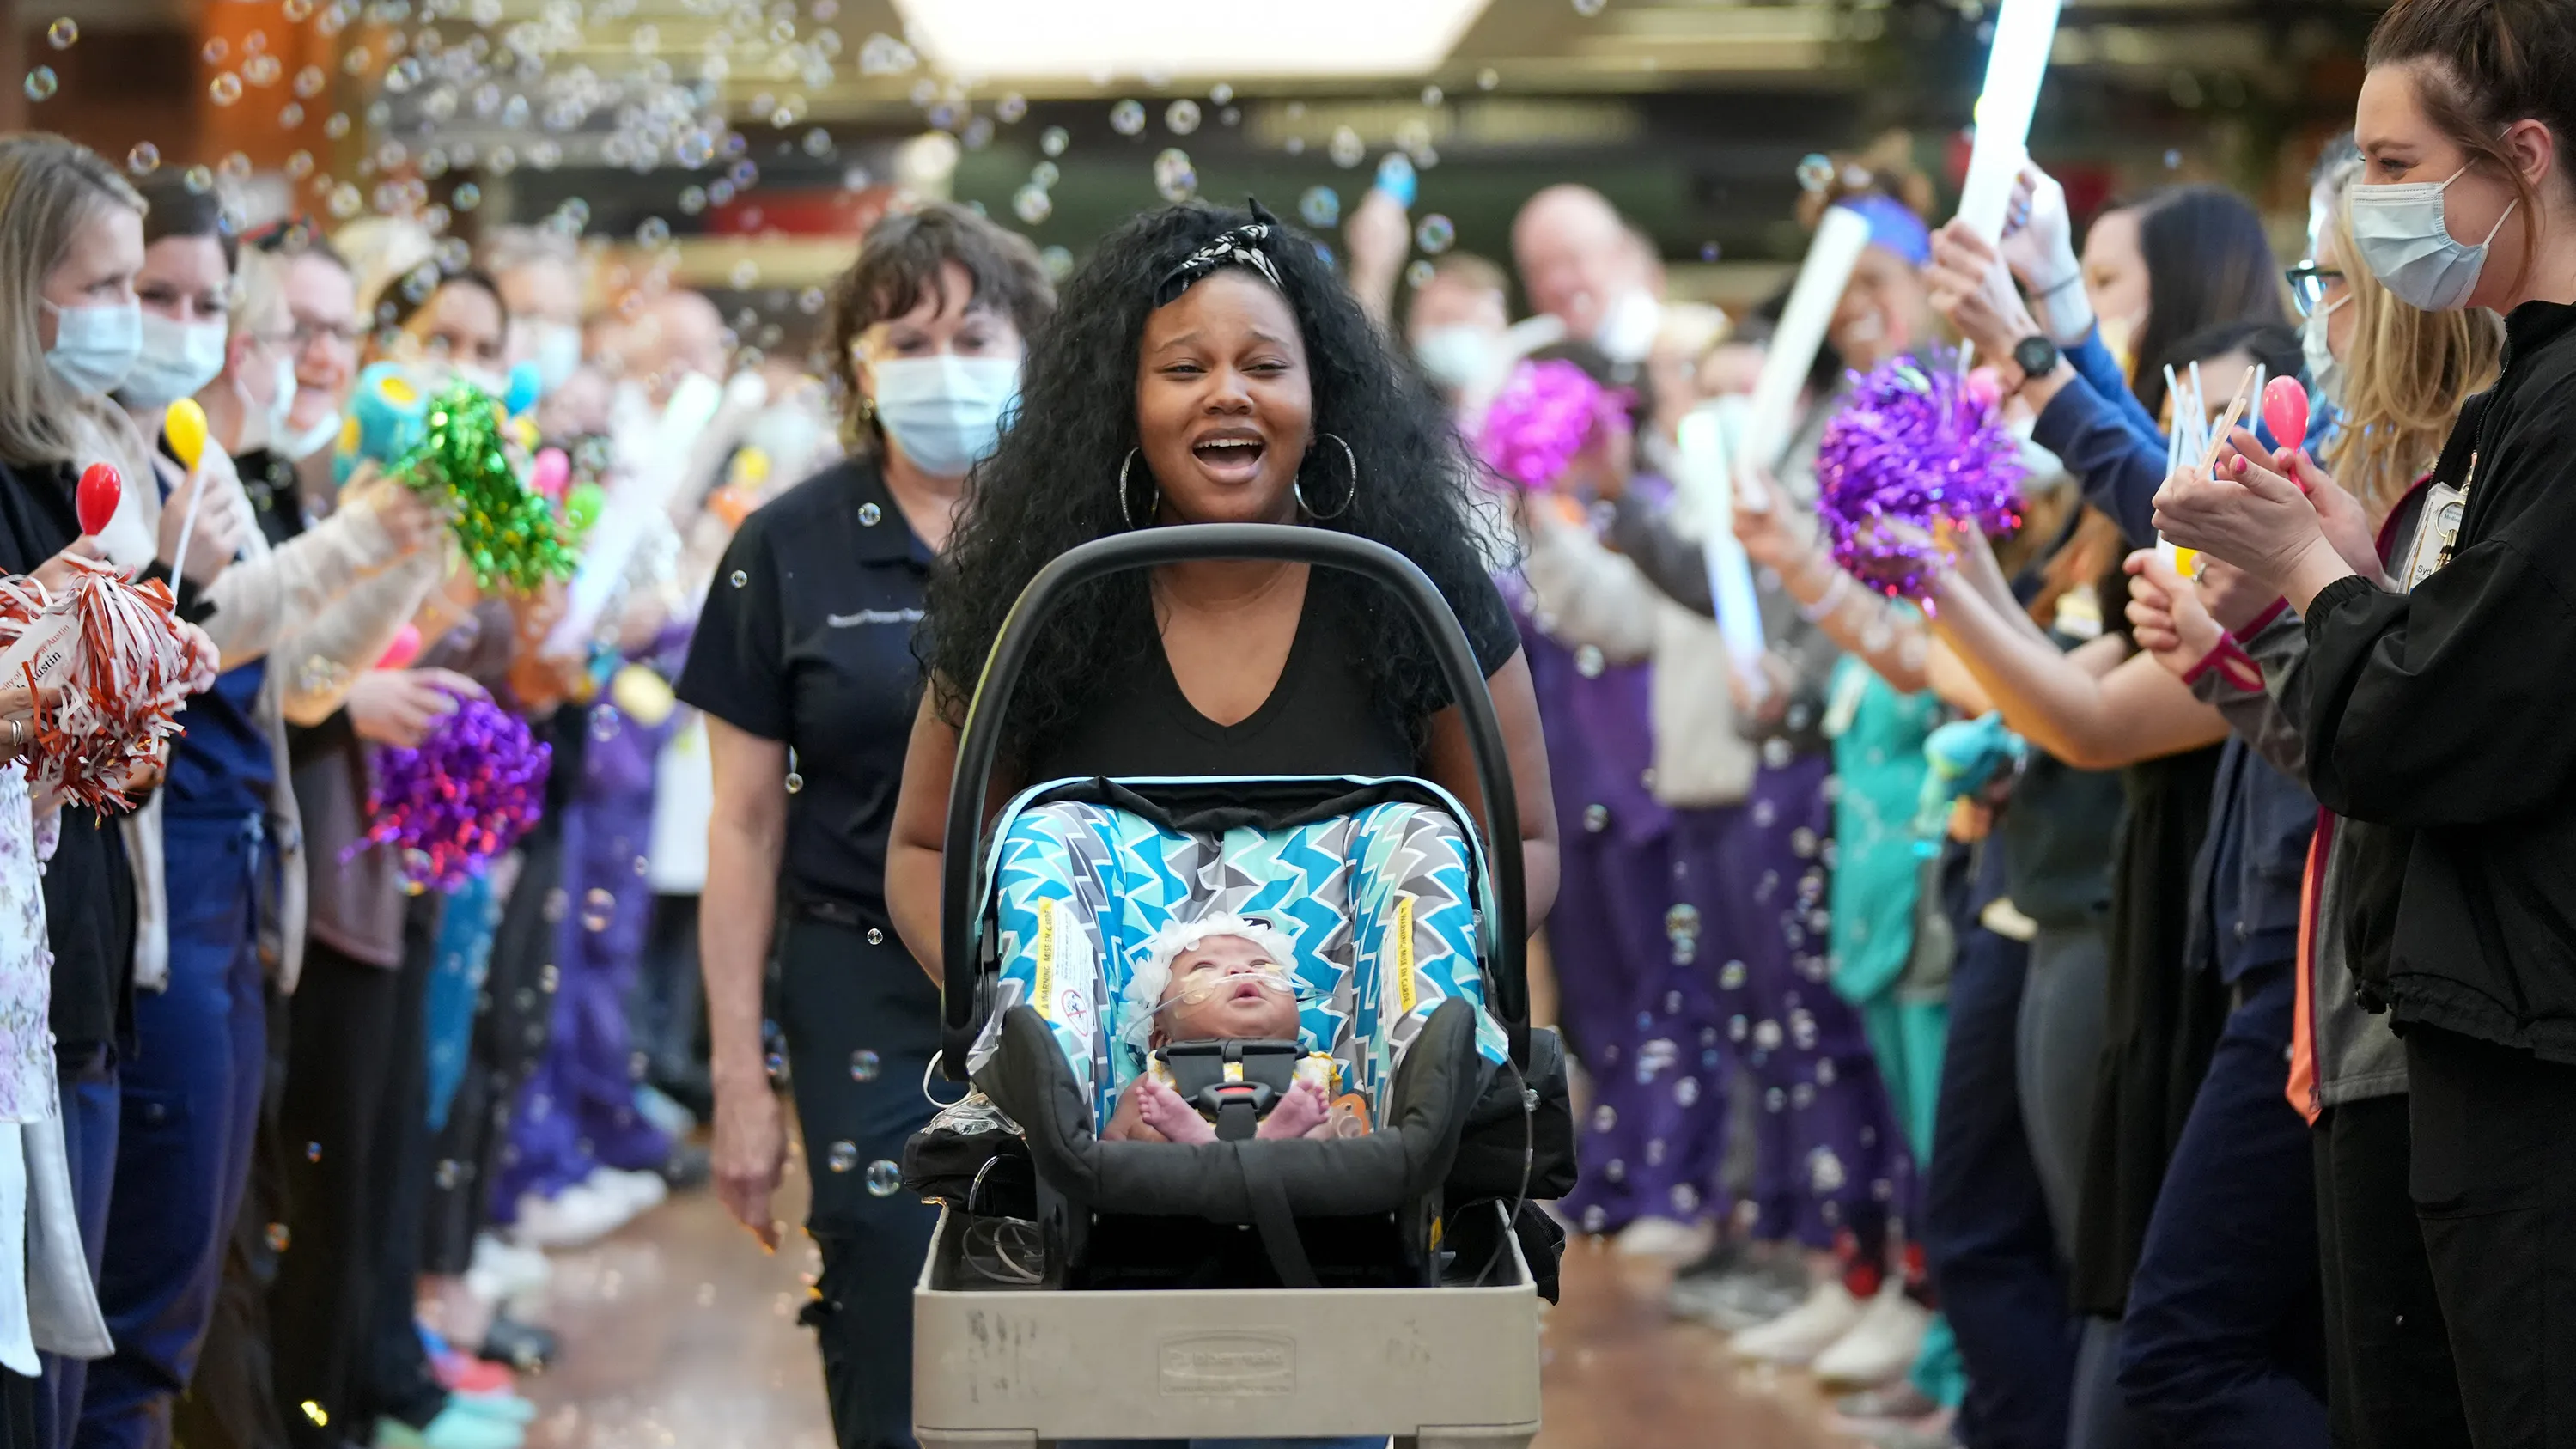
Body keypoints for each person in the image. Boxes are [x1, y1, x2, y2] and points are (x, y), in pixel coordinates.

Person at [2153, 2, 2576, 1439]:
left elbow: (2428, 719)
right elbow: (2425, 660)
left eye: (2395, 168)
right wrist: (2333, 559)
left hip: (2521, 1043)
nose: (2374, 212)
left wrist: (2303, 576)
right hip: (2440, 1036)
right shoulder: (2510, 397)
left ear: (2517, 156)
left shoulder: (2556, 410)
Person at [2129, 141, 2500, 1449]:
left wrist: (2288, 573)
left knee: (2213, 1355)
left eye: (2329, 281)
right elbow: (2345, 734)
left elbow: (2417, 741)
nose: (2310, 317)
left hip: (2411, 1014)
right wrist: (2227, 657)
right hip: (2336, 1004)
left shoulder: (2460, 489)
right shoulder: (2397, 489)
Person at [678, 201, 1053, 1449]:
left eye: (972, 333)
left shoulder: (1083, 536)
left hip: (1073, 968)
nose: (941, 366)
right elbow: (739, 828)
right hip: (855, 971)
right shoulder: (782, 548)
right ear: (854, 364)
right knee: (890, 1279)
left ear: (1029, 349)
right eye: (905, 338)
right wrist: (742, 1076)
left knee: (1077, 1294)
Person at [86, 175, 438, 1449]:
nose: (183, 325)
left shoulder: (234, 466)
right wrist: (366, 534)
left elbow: (292, 676)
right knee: (169, 1266)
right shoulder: (130, 466)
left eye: (192, 298)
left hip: (243, 878)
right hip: (157, 885)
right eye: (143, 294)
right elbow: (193, 642)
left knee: (213, 1236)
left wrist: (423, 538)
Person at [1099, 921, 1356, 1146]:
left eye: (1263, 966)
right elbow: (1111, 1145)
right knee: (1144, 1134)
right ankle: (1198, 1142)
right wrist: (1140, 1137)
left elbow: (1354, 1139)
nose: (1241, 970)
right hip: (1186, 1182)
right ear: (1162, 1038)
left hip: (1291, 1179)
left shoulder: (1312, 1072)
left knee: (1328, 1127)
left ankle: (1269, 1142)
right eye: (1203, 968)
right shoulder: (1154, 1080)